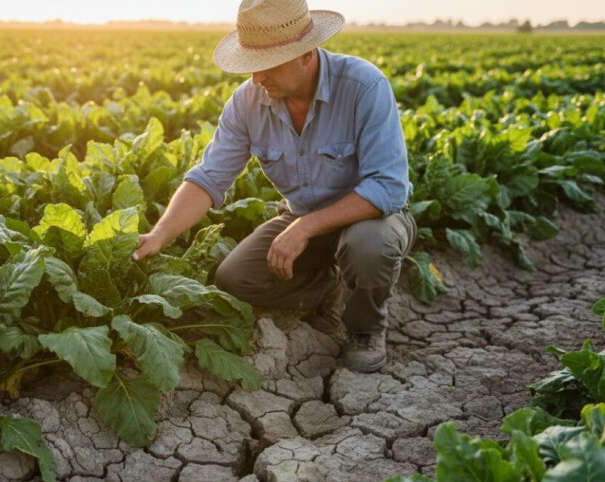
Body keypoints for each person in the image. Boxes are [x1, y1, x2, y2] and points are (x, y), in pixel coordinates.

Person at [132, 0, 416, 373]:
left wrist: (307, 227)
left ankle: (365, 328)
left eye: (267, 65)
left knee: (368, 246)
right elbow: (209, 177)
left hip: (371, 219)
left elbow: (388, 188)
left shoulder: (364, 86)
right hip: (301, 218)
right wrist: (159, 235)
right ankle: (329, 286)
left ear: (306, 54)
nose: (256, 79)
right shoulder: (247, 103)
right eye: (251, 66)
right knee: (235, 279)